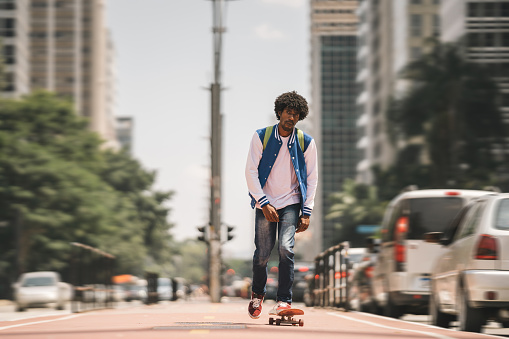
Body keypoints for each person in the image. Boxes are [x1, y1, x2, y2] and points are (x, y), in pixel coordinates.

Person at [245, 91, 318, 319]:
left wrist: (307, 211)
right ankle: (258, 294)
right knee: (263, 255)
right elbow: (250, 172)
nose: (291, 117)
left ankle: (284, 301)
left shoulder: (306, 142)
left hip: (291, 203)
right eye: (288, 112)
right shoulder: (261, 137)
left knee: (286, 249)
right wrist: (263, 202)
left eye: (296, 114)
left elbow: (312, 178)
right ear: (279, 112)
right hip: (265, 203)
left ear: (300, 117)